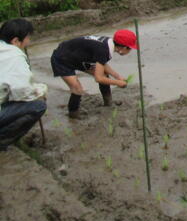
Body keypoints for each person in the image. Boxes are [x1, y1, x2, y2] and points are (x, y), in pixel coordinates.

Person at [51, 29, 136, 119]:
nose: (130, 50)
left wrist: (118, 77)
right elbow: (98, 78)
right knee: (77, 89)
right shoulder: (104, 50)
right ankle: (73, 114)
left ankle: (108, 102)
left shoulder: (108, 44)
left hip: (77, 56)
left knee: (104, 74)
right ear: (124, 48)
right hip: (62, 59)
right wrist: (118, 83)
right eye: (130, 48)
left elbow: (102, 62)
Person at [0, 19, 47, 150]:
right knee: (38, 106)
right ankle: (2, 140)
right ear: (15, 41)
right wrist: (41, 90)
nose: (29, 41)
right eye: (28, 38)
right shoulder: (14, 56)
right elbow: (23, 92)